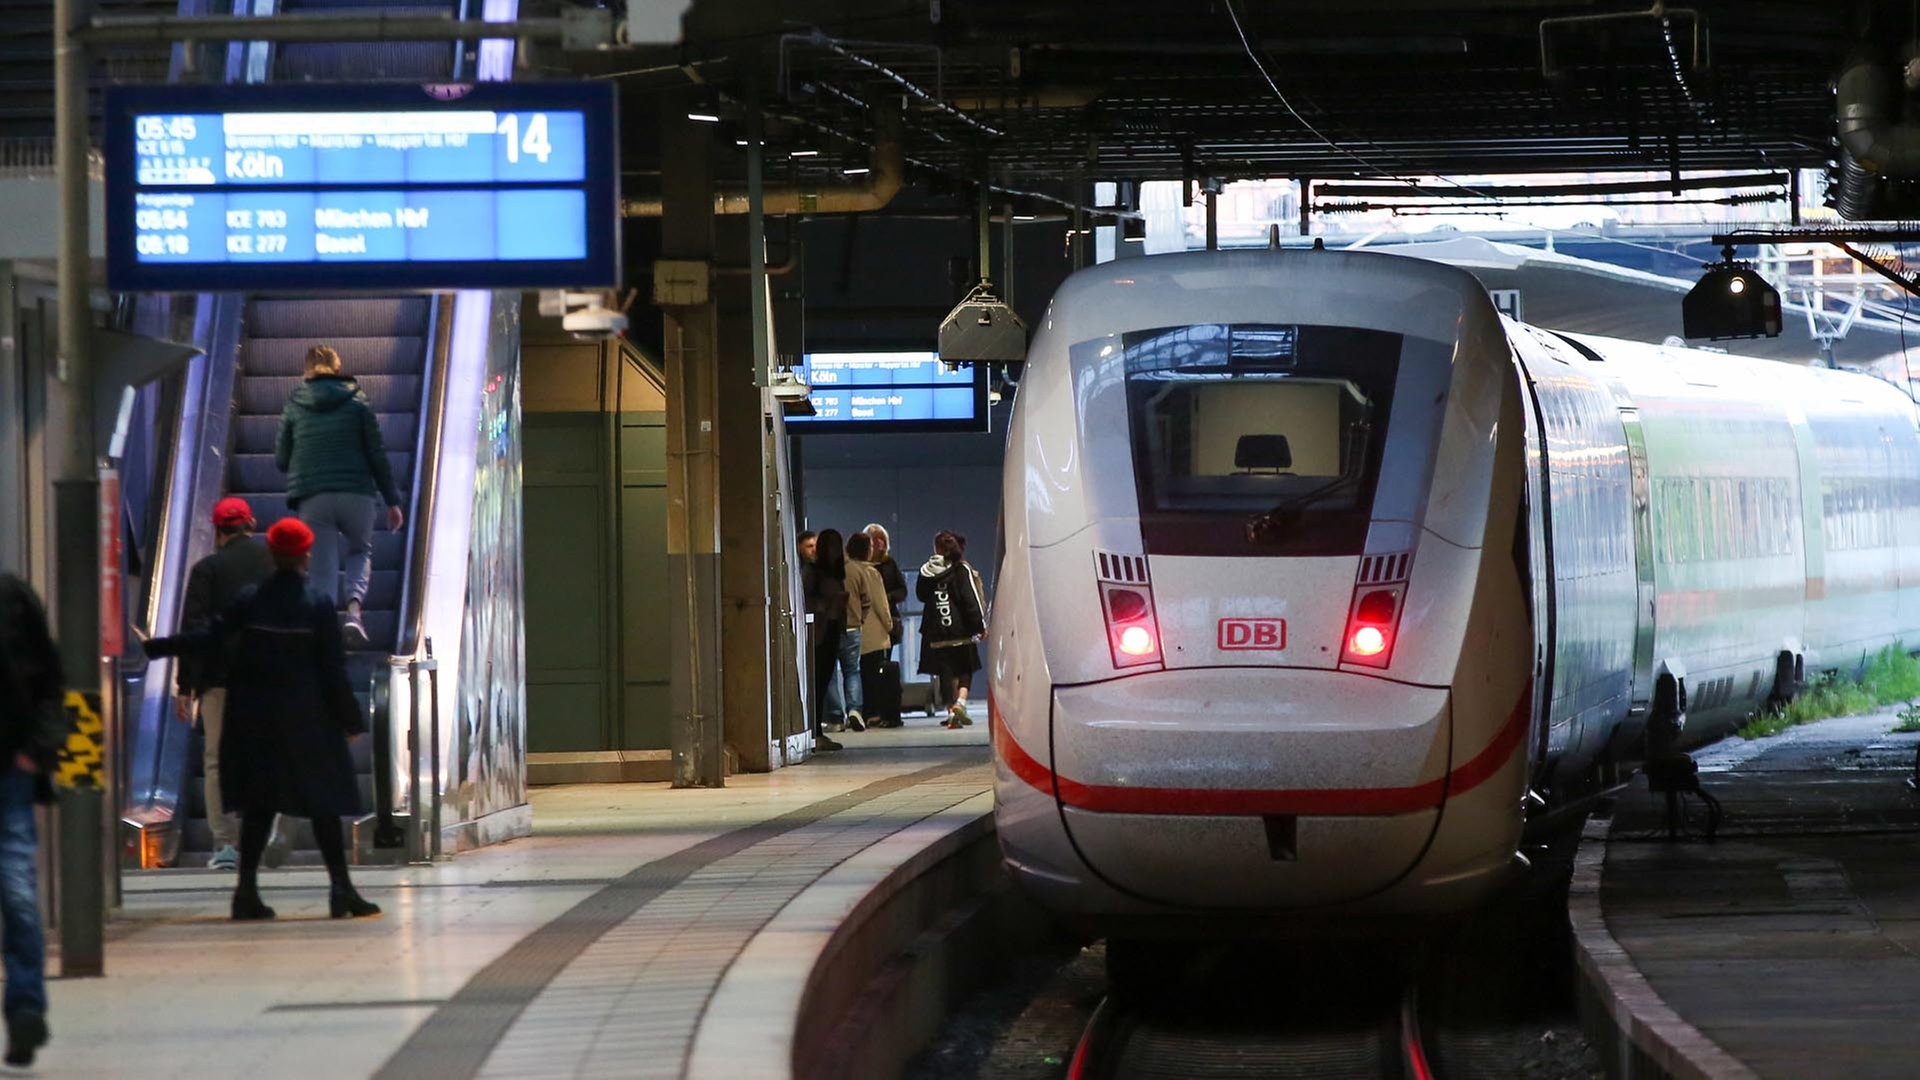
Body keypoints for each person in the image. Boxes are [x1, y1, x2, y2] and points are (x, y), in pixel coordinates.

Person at [141, 519, 381, 922]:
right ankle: (341, 889)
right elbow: (331, 669)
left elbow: (209, 635)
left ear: (272, 553)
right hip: (307, 718)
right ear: (305, 555)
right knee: (322, 804)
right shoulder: (318, 604)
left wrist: (160, 647)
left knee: (259, 805)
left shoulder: (251, 601)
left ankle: (246, 892)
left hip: (255, 718)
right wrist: (350, 719)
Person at [276, 345, 404, 648]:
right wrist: (392, 500)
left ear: (306, 370)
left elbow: (281, 460)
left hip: (313, 497)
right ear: (338, 367)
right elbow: (376, 454)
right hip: (357, 494)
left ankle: (321, 632)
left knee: (321, 567)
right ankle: (354, 613)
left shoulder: (294, 405)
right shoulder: (358, 401)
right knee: (360, 550)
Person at [177, 497, 277, 870]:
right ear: (250, 524)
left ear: (218, 531)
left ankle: (226, 846)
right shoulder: (272, 564)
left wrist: (184, 686)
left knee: (218, 761)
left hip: (219, 680)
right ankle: (264, 835)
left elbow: (195, 630)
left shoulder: (207, 569)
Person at [0, 575, 70, 1066]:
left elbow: (49, 680)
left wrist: (37, 751)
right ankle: (25, 1006)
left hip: (10, 767)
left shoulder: (11, 598)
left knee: (17, 888)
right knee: (17, 885)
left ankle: (25, 1007)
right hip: (13, 766)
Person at [917, 531, 988, 729]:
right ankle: (960, 703)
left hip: (936, 631)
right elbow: (970, 600)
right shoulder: (961, 569)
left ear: (936, 549)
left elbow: (921, 596)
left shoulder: (926, 571)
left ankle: (950, 713)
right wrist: (980, 626)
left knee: (945, 672)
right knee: (966, 668)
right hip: (961, 630)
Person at [806, 529, 850, 751]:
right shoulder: (814, 572)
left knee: (825, 678)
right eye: (830, 546)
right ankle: (814, 729)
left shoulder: (836, 574)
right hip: (820, 630)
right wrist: (827, 605)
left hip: (833, 629)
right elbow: (807, 600)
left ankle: (817, 730)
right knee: (818, 679)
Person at [845, 533, 894, 732]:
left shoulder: (846, 570)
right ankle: (873, 713)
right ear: (867, 550)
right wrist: (889, 625)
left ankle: (855, 710)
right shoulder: (871, 572)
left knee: (855, 673)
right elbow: (880, 603)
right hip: (874, 633)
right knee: (873, 676)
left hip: (852, 629)